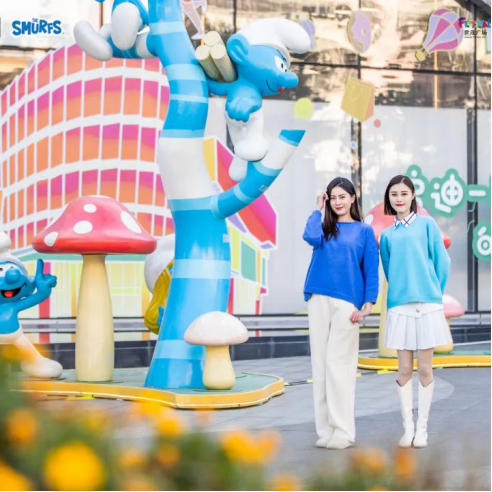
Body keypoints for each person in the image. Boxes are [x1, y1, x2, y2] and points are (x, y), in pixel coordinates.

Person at [303, 177, 379, 450]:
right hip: (317, 297)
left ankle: (343, 431)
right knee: (320, 366)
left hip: (347, 303)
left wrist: (368, 303)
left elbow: (371, 269)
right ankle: (326, 431)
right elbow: (309, 237)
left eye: (342, 197)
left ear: (353, 198)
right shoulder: (323, 228)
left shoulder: (364, 231)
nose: (337, 202)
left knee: (339, 365)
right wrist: (317, 208)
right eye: (332, 198)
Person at [380, 175, 452, 449]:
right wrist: (402, 292)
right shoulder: (386, 236)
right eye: (394, 194)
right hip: (400, 307)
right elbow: (389, 271)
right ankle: (407, 428)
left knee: (424, 368)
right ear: (389, 198)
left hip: (428, 304)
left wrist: (433, 291)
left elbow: (442, 262)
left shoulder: (427, 224)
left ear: (412, 195)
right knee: (403, 370)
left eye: (403, 193)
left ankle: (422, 429)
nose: (399, 198)